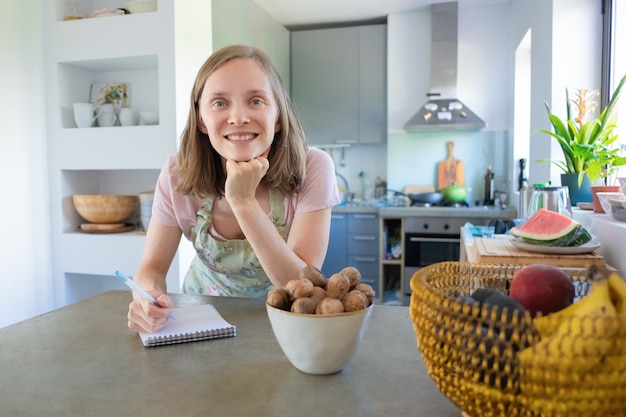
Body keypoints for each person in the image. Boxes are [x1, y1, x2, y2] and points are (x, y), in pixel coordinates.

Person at [127, 45, 340, 333]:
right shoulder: (177, 173)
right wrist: (147, 297)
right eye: (219, 103)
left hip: (283, 327)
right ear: (201, 120)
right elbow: (151, 267)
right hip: (200, 323)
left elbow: (303, 287)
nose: (238, 117)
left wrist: (243, 202)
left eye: (255, 101)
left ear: (277, 117)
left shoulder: (314, 166)